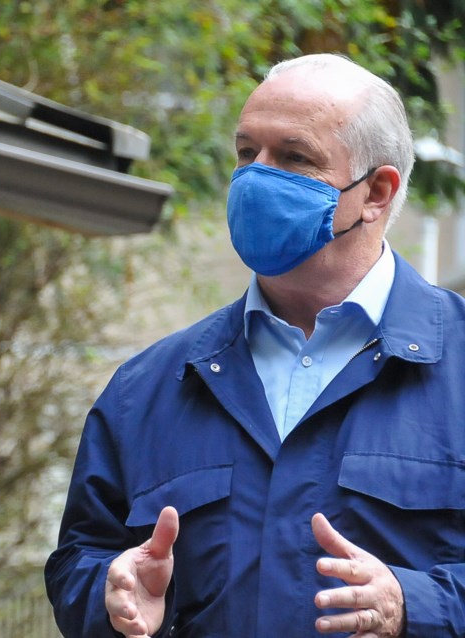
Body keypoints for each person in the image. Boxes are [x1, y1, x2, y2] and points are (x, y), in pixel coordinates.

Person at [46, 53, 465, 637]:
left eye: (294, 157)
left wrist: (413, 605)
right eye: (247, 154)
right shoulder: (147, 389)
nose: (256, 179)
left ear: (375, 192)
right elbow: (79, 561)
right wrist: (110, 594)